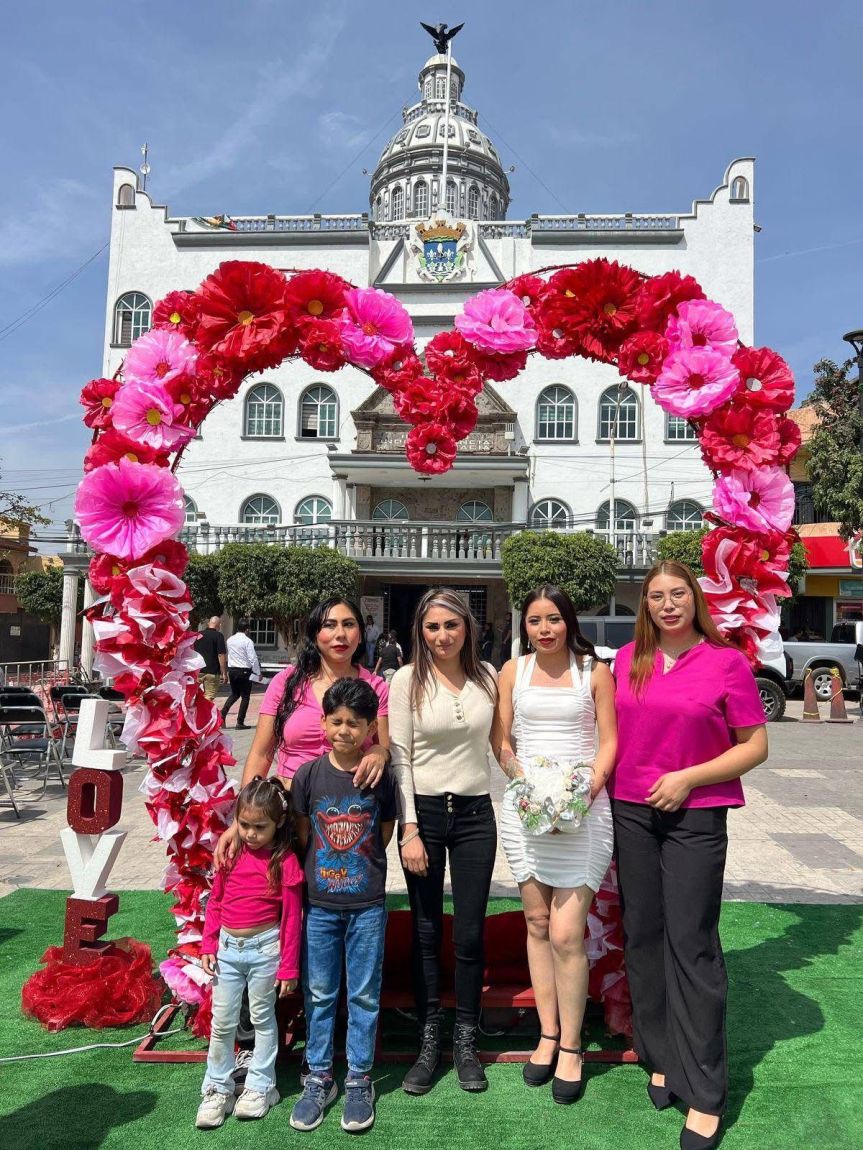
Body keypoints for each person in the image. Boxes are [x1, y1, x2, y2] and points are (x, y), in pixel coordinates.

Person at [609, 561, 768, 1150]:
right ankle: (659, 1055)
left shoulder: (726, 663)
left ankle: (705, 1093)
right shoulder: (627, 660)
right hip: (630, 811)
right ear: (645, 605)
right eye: (656, 596)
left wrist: (689, 778)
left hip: (696, 817)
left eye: (678, 594)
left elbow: (756, 746)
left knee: (693, 943)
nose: (668, 604)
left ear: (694, 600)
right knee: (644, 937)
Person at [494, 585, 617, 1104]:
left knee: (568, 932)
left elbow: (609, 741)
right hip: (525, 813)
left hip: (582, 814)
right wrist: (521, 780)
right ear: (525, 625)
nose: (544, 629)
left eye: (554, 619)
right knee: (538, 924)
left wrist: (582, 790)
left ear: (569, 622)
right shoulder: (511, 671)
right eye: (535, 620)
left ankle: (572, 1044)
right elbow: (502, 740)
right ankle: (546, 1035)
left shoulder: (596, 672)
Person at [389, 587, 498, 1094]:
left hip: (476, 814)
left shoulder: (488, 677)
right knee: (428, 931)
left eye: (450, 626)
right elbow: (400, 759)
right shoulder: (407, 680)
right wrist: (408, 828)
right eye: (432, 627)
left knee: (470, 933)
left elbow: (501, 748)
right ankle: (429, 1041)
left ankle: (466, 1041)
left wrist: (542, 784)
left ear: (467, 627)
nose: (441, 636)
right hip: (425, 817)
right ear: (420, 631)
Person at [289, 678, 398, 1133]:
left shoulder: (381, 777)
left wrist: (360, 868)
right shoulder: (308, 776)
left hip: (368, 905)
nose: (345, 731)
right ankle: (318, 1076)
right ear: (323, 723)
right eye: (336, 721)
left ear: (370, 728)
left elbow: (386, 831)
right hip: (320, 906)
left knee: (363, 994)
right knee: (319, 993)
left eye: (355, 723)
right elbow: (301, 832)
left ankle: (358, 1077)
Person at [213, 598, 390, 868]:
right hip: (289, 814)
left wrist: (378, 751)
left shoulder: (375, 687)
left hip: (345, 816)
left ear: (360, 633)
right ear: (315, 633)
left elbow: (384, 748)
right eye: (329, 625)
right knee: (286, 900)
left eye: (349, 624)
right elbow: (261, 753)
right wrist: (240, 822)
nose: (340, 634)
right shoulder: (286, 683)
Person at [195, 776, 303, 1130]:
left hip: (265, 950)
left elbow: (291, 920)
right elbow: (217, 902)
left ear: (279, 823)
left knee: (262, 1018)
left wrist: (289, 968)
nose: (251, 833)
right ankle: (217, 1088)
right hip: (227, 949)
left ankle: (260, 1086)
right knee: (223, 1021)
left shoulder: (285, 861)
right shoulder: (230, 852)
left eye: (260, 827)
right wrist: (209, 943)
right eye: (244, 825)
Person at [221, 620, 261, 730]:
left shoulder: (230, 640)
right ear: (247, 629)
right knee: (245, 696)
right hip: (244, 671)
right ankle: (240, 721)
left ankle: (223, 713)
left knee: (234, 694)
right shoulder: (247, 641)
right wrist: (258, 672)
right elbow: (253, 658)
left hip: (232, 670)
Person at [195, 615, 227, 702]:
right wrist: (224, 672)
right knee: (209, 697)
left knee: (195, 696)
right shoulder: (218, 636)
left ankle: (198, 713)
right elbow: (221, 655)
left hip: (198, 670)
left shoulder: (198, 635)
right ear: (219, 625)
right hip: (212, 672)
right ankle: (205, 714)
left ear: (209, 623)